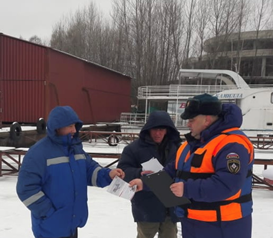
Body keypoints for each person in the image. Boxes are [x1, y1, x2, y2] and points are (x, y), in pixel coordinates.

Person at [130, 93, 254, 238]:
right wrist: (144, 183)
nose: (188, 124)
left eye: (192, 120)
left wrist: (187, 188)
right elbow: (172, 171)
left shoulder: (231, 144)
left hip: (224, 226)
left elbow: (228, 185)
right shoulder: (190, 145)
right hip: (193, 223)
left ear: (206, 119)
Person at [16, 106, 125, 238]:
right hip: (50, 228)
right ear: (57, 127)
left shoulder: (75, 148)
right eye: (69, 126)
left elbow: (90, 171)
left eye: (75, 126)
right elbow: (26, 189)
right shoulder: (38, 153)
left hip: (71, 224)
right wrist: (49, 213)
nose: (74, 130)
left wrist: (108, 174)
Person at [118, 110, 181, 238]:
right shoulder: (133, 149)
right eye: (154, 130)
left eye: (161, 130)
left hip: (171, 205)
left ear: (168, 130)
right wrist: (138, 172)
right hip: (146, 206)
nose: (158, 133)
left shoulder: (178, 148)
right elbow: (122, 171)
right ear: (148, 129)